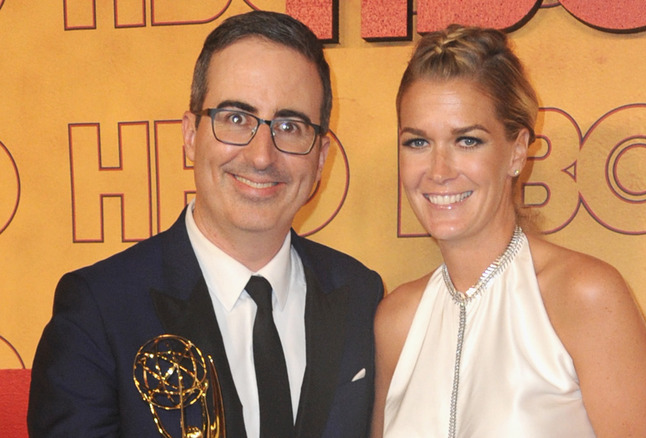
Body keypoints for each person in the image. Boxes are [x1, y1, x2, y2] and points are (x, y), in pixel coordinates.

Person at [28, 10, 383, 438]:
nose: (261, 156)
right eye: (236, 119)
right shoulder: (97, 311)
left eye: (290, 126)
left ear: (321, 156)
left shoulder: (361, 296)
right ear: (191, 134)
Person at [371, 25, 646, 438]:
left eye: (468, 141)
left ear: (517, 151)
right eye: (418, 142)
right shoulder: (396, 320)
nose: (439, 171)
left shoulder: (584, 295)